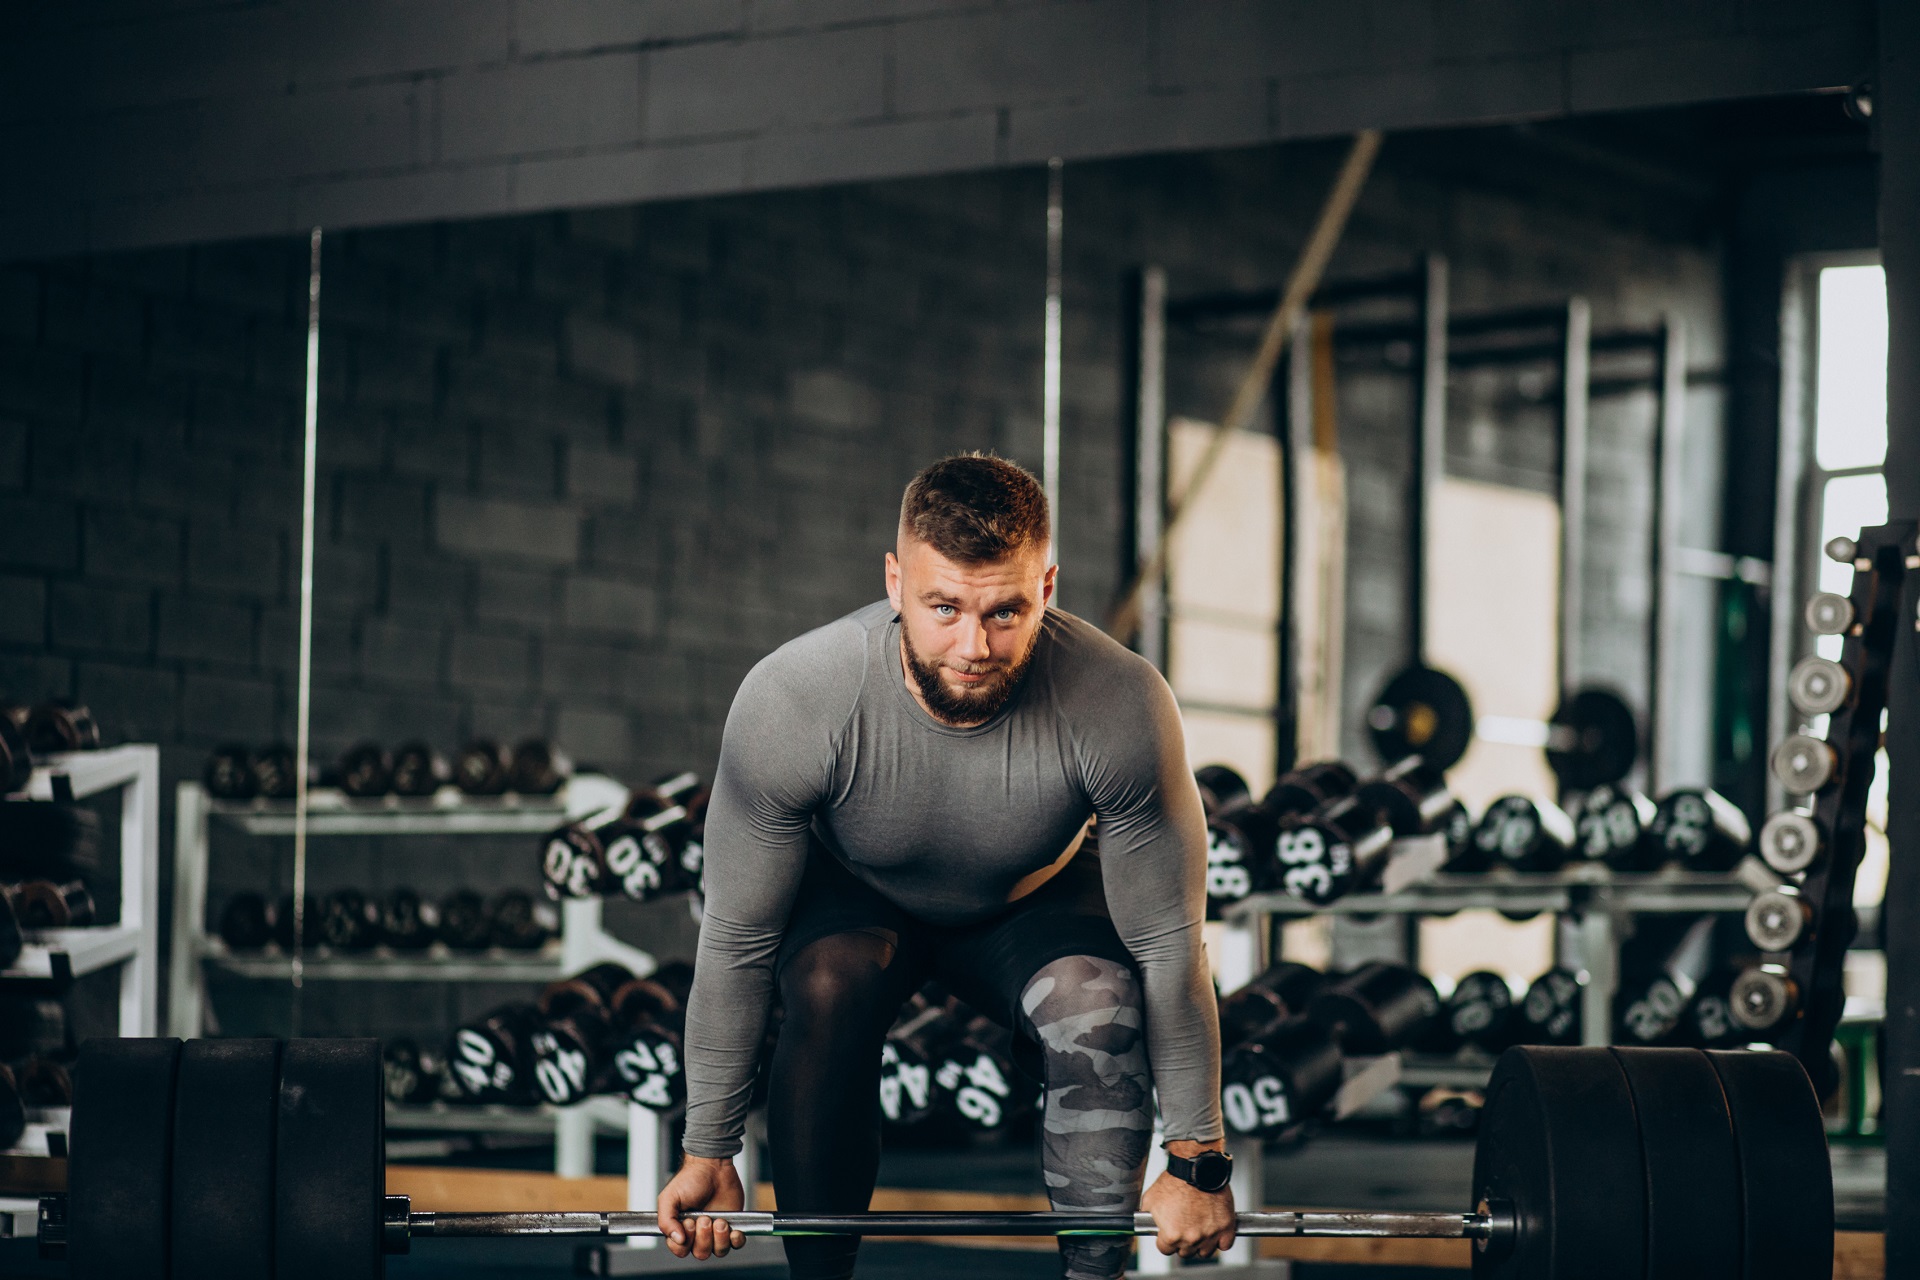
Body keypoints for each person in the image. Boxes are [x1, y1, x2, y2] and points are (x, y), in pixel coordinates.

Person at [657, 454, 1232, 1280]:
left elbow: (1171, 947)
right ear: (894, 582)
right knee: (827, 982)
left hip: (1033, 896)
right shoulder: (797, 698)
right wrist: (709, 1149)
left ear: (1047, 588)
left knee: (1096, 999)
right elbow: (737, 941)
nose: (974, 647)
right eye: (944, 608)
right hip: (860, 898)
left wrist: (1196, 1162)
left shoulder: (1119, 702)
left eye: (1005, 612)